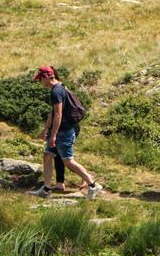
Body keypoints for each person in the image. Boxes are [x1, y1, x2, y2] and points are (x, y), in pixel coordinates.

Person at [28, 66, 103, 199]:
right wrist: (46, 129)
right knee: (48, 156)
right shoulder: (61, 87)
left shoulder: (56, 92)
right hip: (62, 130)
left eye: (40, 79)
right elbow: (53, 112)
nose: (40, 82)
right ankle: (46, 189)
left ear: (46, 77)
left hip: (64, 131)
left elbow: (58, 115)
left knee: (68, 161)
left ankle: (92, 185)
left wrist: (53, 135)